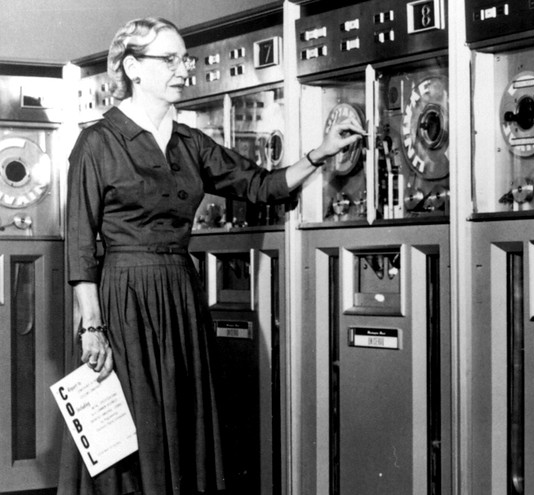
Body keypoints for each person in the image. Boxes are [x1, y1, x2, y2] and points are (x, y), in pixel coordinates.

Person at [58, 16, 364, 495]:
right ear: (134, 68)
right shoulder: (97, 143)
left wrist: (322, 152)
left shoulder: (190, 143)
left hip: (179, 292)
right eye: (172, 59)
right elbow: (79, 243)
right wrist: (92, 327)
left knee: (180, 421)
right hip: (125, 297)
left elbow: (260, 185)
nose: (185, 69)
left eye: (186, 58)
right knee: (133, 431)